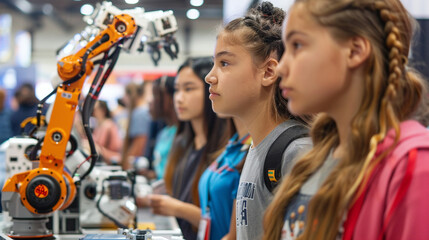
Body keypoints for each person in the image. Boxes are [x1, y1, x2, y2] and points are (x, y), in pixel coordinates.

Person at [263, 0, 429, 239]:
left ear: (355, 51)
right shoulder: (314, 158)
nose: (281, 68)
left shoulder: (413, 164)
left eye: (297, 45)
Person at [204, 2, 312, 239]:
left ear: (268, 72)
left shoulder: (297, 152)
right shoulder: (256, 147)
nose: (210, 76)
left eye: (224, 63)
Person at [149, 57, 231, 240]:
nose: (179, 98)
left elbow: (224, 226)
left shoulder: (226, 150)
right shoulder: (181, 144)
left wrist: (178, 208)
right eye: (177, 90)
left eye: (189, 89)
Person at [140, 75, 178, 180]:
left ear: (171, 98)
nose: (150, 102)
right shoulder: (164, 133)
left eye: (155, 95)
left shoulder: (181, 135)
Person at [120, 81, 152, 170]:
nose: (123, 99)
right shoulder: (142, 111)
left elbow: (138, 145)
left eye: (125, 95)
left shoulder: (140, 113)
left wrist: (126, 167)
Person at [89, 100, 122, 165]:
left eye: (95, 109)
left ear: (102, 110)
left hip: (110, 158)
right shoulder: (99, 124)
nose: (93, 112)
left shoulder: (107, 125)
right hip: (104, 157)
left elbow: (100, 145)